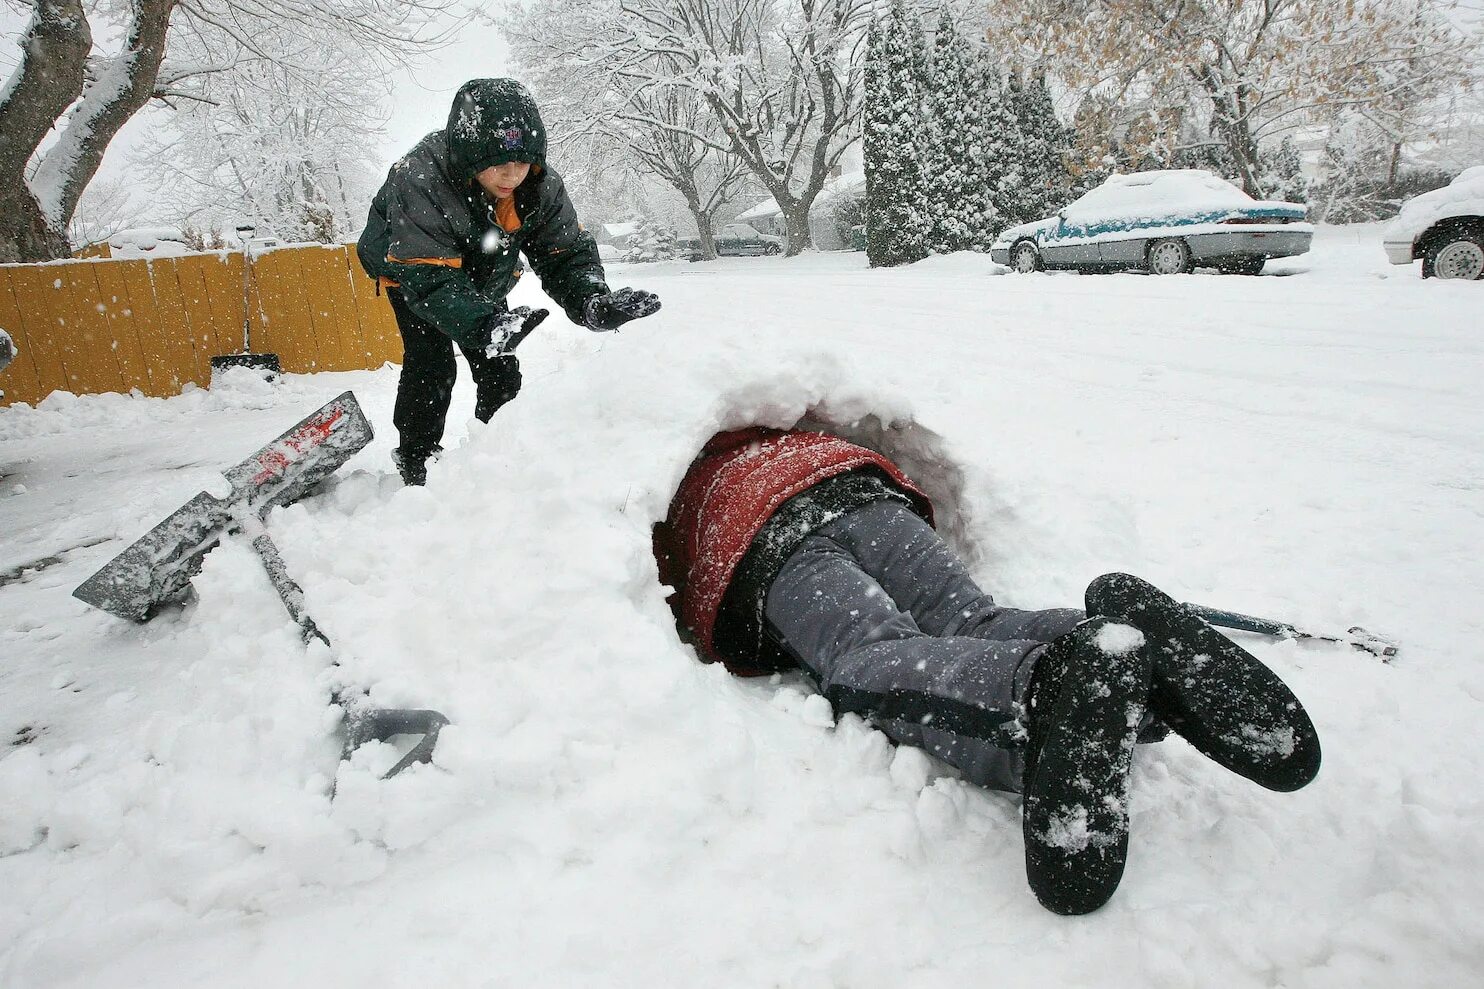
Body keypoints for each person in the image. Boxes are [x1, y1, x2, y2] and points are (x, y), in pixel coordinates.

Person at [653, 427, 1321, 915]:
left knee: (867, 654)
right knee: (972, 618)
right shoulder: (784, 429)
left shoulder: (674, 466)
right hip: (857, 485)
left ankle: (1040, 692)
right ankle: (1115, 642)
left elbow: (640, 568)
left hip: (762, 540)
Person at [357, 78, 660, 485]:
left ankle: (495, 451)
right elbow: (427, 274)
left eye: (522, 162)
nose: (511, 174)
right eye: (497, 161)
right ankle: (417, 458)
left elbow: (563, 252)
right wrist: (483, 324)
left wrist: (591, 300)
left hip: (484, 272)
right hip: (413, 269)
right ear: (469, 153)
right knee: (431, 365)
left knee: (500, 366)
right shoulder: (420, 176)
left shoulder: (539, 185)